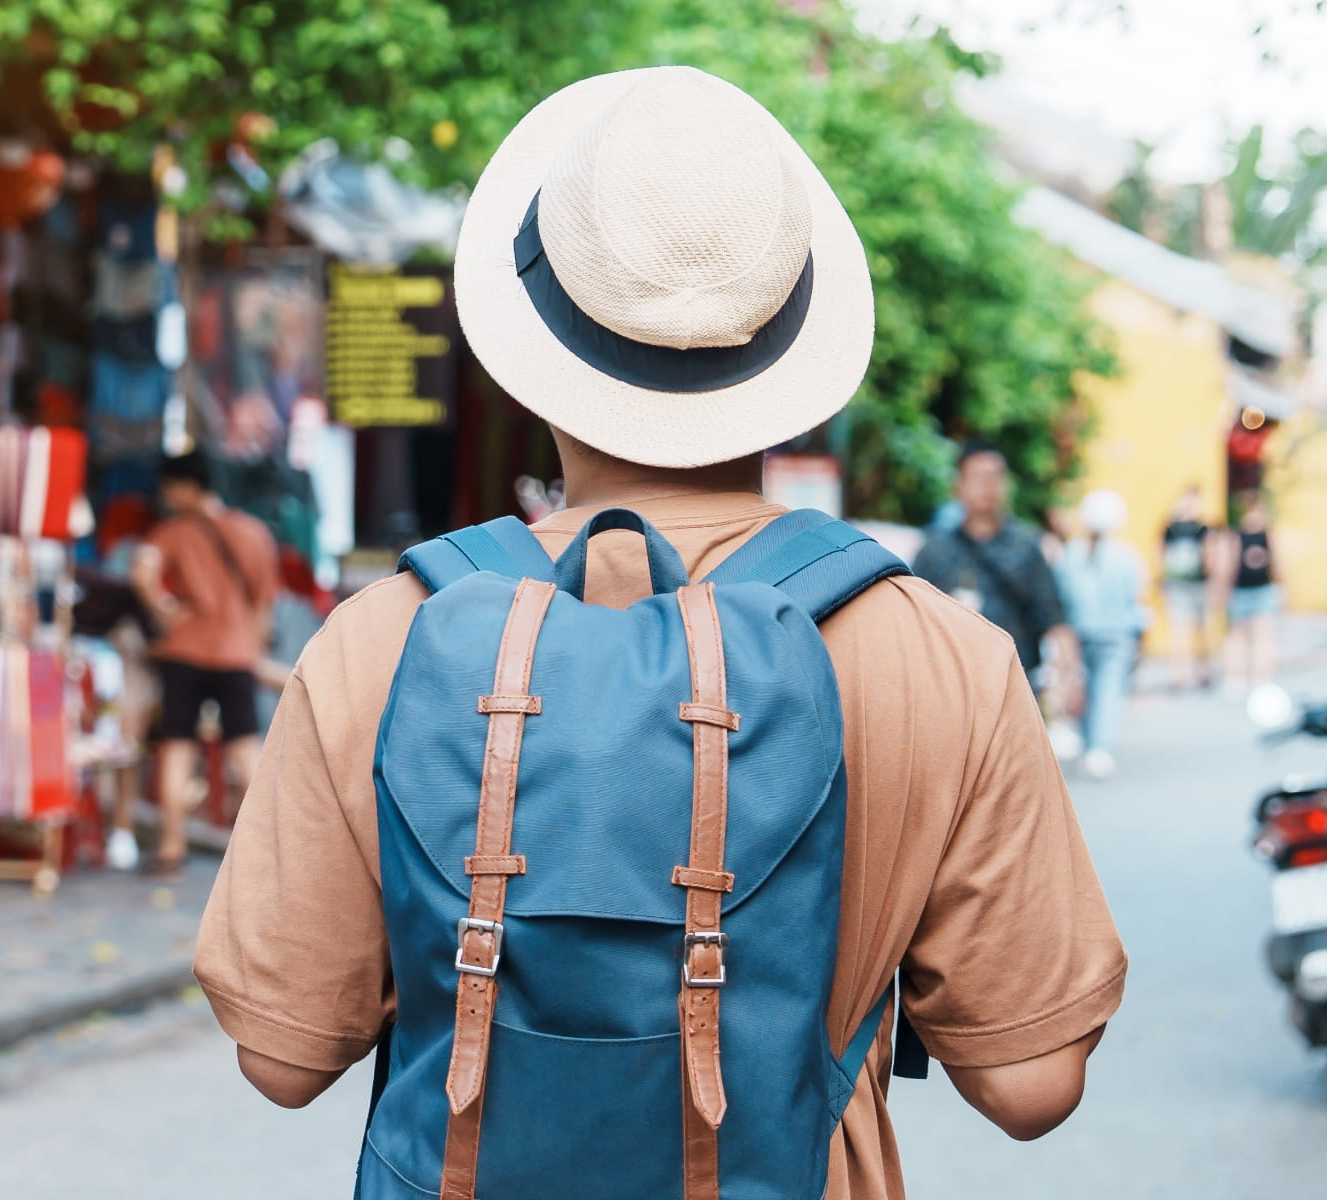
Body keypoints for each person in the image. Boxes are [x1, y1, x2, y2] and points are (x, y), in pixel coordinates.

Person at [198, 66, 1119, 1199]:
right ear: (794, 351)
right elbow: (1032, 1082)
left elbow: (282, 1055)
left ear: (534, 331)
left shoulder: (388, 638)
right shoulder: (941, 656)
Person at [131, 453, 282, 877]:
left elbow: (142, 574)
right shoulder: (253, 532)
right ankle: (257, 854)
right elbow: (265, 603)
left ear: (186, 486)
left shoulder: (171, 532)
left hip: (184, 652)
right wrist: (250, 644)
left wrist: (163, 611)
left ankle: (171, 847)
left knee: (178, 748)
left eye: (170, 487)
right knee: (244, 749)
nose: (166, 496)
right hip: (236, 652)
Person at [909, 443, 1076, 685]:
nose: (987, 486)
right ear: (959, 484)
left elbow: (1054, 616)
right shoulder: (935, 551)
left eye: (995, 477)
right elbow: (912, 622)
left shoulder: (1026, 547)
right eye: (977, 477)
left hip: (1016, 684)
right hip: (952, 687)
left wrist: (1069, 678)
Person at [1051, 490, 1148, 779]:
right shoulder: (1126, 557)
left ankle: (1088, 739)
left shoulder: (1069, 555)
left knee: (1082, 686)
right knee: (1107, 691)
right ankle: (1100, 748)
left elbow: (1061, 597)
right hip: (1116, 635)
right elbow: (1136, 598)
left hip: (1078, 633)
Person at [1219, 491, 1281, 695]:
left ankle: (1253, 678)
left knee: (1256, 637)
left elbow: (1279, 563)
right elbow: (1230, 566)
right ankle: (1244, 678)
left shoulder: (1261, 535)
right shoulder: (1241, 536)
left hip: (1257, 590)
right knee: (1243, 637)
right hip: (1246, 591)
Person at [1156, 487, 1214, 690]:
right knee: (1179, 631)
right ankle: (1179, 673)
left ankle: (1202, 669)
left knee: (1201, 629)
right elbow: (1160, 553)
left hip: (1198, 584)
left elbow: (1210, 554)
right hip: (1178, 584)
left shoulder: (1201, 528)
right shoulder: (1171, 528)